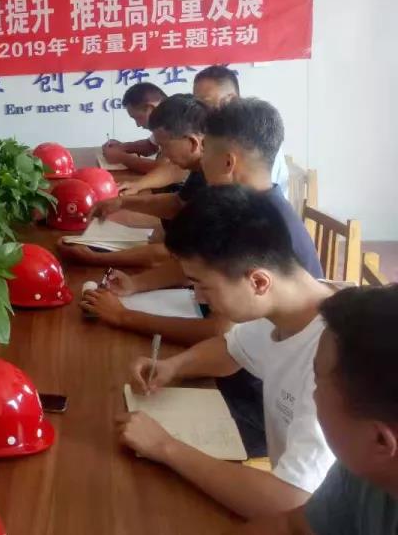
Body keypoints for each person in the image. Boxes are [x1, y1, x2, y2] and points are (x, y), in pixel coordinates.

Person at [116, 186, 336, 519]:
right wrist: (174, 366)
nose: (199, 298)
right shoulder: (287, 307)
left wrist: (165, 446)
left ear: (258, 282)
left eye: (203, 285)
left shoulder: (334, 361)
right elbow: (232, 349)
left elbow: (289, 501)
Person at [83, 98, 323, 345]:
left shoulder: (252, 226)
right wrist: (135, 284)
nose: (201, 158)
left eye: (206, 149)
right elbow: (197, 265)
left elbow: (218, 331)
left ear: (228, 163)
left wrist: (123, 316)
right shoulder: (251, 205)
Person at [234, 285, 398, 534]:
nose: (311, 393)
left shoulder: (366, 459)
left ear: (380, 440)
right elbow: (290, 527)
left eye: (317, 380)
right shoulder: (362, 470)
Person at [60, 94, 208, 272]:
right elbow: (178, 204)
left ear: (192, 143)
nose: (164, 156)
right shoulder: (202, 168)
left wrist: (95, 258)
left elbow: (179, 257)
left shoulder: (218, 183)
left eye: (165, 147)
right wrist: (122, 202)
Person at [122, 66, 289, 197]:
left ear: (232, 99)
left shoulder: (251, 143)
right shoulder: (213, 135)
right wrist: (137, 187)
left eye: (205, 102)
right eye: (196, 101)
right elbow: (178, 169)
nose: (199, 108)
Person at [101, 82, 168, 174]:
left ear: (151, 108)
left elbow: (162, 169)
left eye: (138, 117)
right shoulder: (163, 120)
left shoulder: (175, 122)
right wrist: (122, 147)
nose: (138, 125)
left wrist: (121, 158)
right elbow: (151, 146)